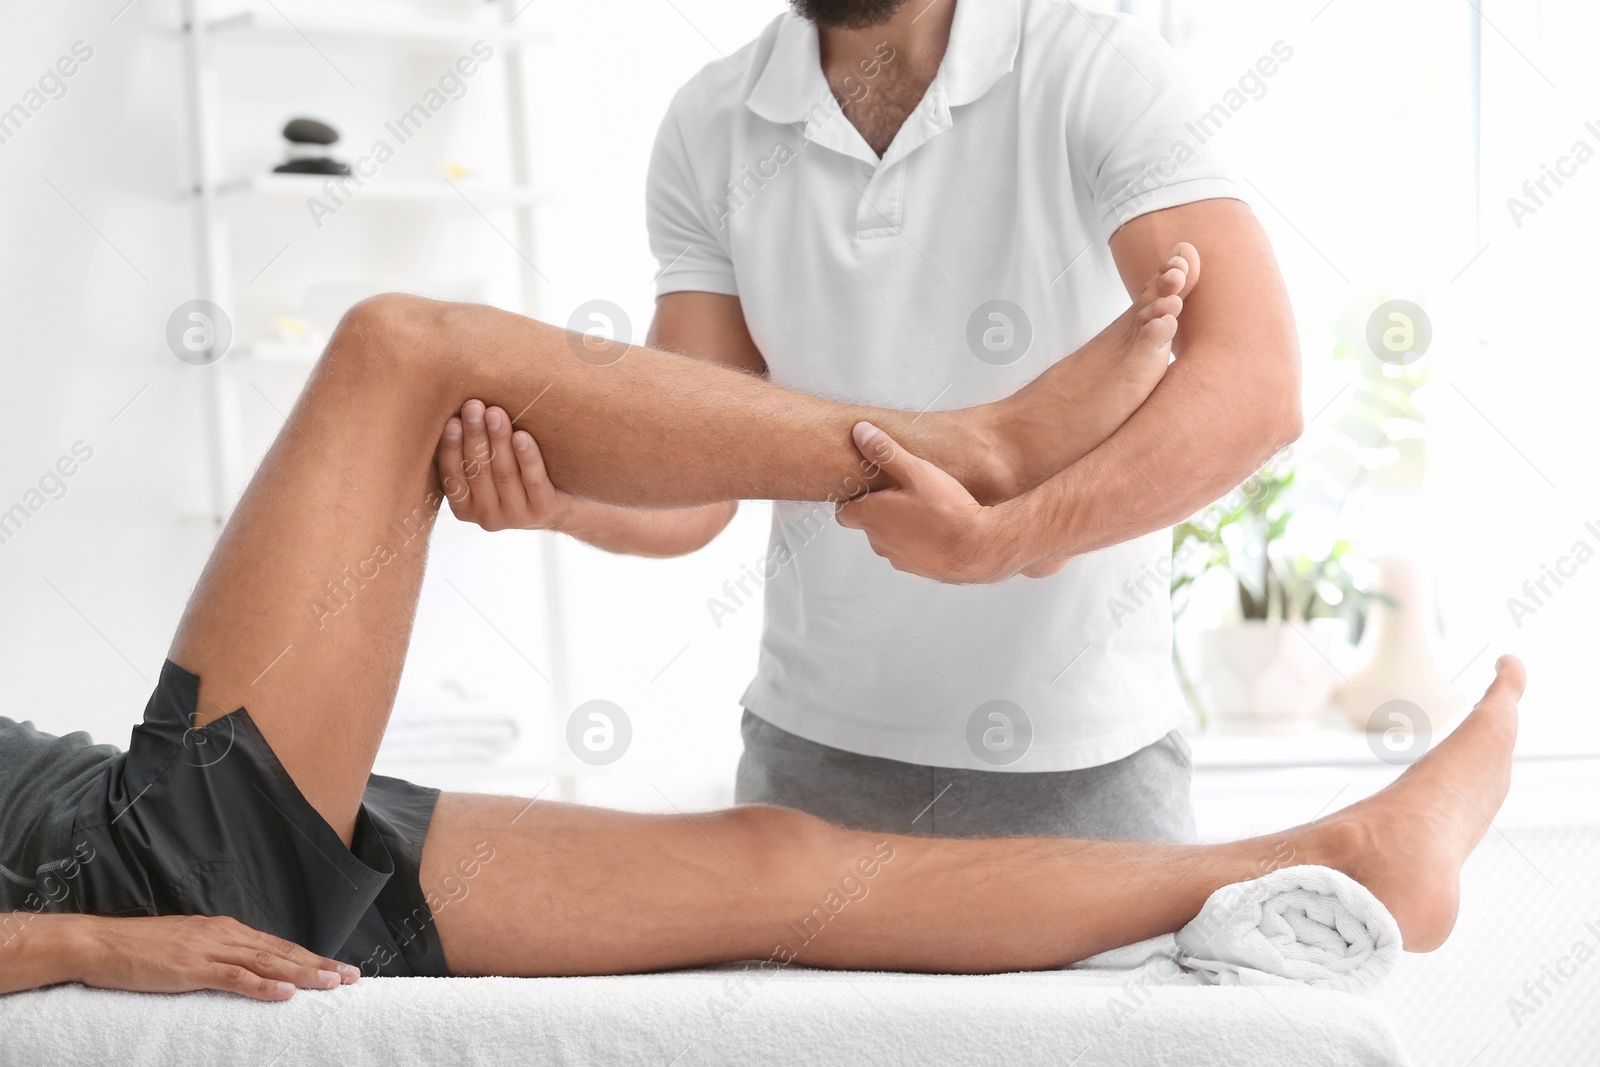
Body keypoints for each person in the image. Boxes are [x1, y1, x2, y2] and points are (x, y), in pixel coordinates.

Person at [0, 279, 1518, 999]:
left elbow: (683, 512)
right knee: (403, 351)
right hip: (124, 871)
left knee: (789, 864)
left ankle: (1343, 855)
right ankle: (969, 441)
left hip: (128, 833)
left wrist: (567, 512)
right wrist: (92, 943)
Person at [437, 0, 1303, 843]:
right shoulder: (712, 122)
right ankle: (994, 442)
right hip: (812, 762)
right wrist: (559, 501)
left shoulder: (1094, 67)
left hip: (1083, 763)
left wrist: (1005, 537)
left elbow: (1256, 382)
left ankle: (1001, 446)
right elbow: (694, 483)